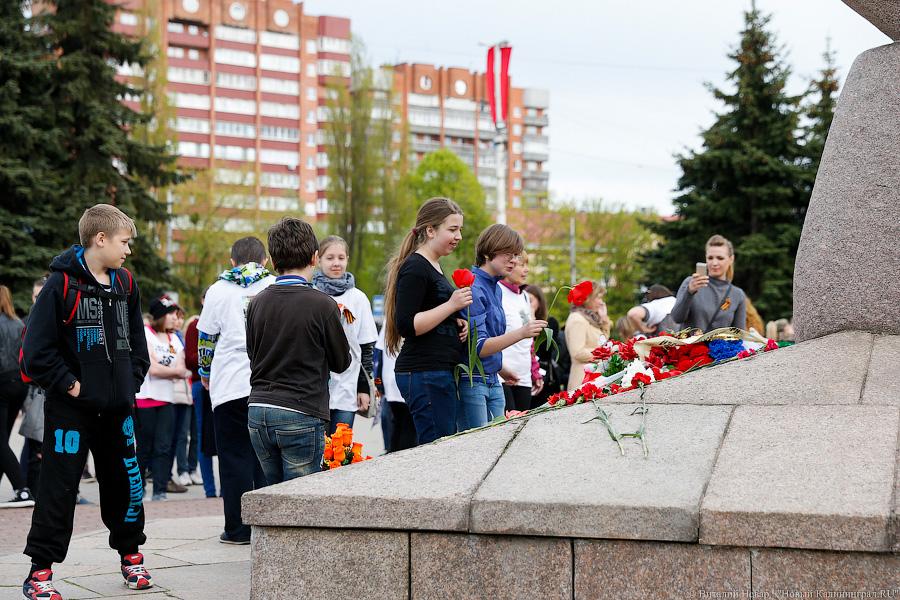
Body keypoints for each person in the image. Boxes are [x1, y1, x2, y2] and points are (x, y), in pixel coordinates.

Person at [20, 204, 154, 597]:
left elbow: (137, 344)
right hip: (70, 412)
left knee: (126, 486)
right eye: (124, 242)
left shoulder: (125, 284)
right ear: (100, 239)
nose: (128, 250)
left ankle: (132, 558)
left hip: (118, 411)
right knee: (57, 490)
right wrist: (73, 386)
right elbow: (35, 353)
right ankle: (39, 574)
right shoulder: (60, 286)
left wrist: (130, 383)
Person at [246, 218, 351, 485]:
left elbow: (252, 353)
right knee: (299, 497)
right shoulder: (322, 305)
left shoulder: (256, 303)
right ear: (315, 258)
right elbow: (341, 362)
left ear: (272, 257)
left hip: (258, 409)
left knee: (271, 495)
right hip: (301, 409)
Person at [197, 237, 273, 545]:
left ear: (232, 262)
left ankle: (238, 529)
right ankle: (268, 525)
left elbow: (206, 338)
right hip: (267, 381)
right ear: (264, 261)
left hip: (229, 384)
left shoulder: (218, 290)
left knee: (232, 458)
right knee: (264, 458)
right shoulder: (274, 285)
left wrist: (205, 372)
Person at [384, 197, 471, 445]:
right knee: (436, 450)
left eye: (460, 230)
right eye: (452, 229)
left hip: (436, 371)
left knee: (441, 447)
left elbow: (431, 312)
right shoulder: (416, 267)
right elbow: (408, 325)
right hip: (424, 372)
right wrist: (451, 306)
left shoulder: (434, 265)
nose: (458, 237)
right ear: (430, 230)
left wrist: (455, 322)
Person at [458, 225, 547, 431]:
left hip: (493, 379)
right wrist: (522, 333)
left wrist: (502, 369)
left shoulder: (496, 289)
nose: (515, 261)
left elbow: (490, 342)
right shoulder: (474, 288)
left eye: (516, 255)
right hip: (474, 381)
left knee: (499, 440)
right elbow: (478, 347)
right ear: (489, 253)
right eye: (509, 254)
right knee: (479, 446)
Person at [313, 236, 378, 435]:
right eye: (330, 257)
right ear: (318, 260)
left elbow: (365, 348)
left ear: (347, 259)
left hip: (347, 388)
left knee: (341, 452)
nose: (336, 263)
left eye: (341, 258)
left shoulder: (358, 298)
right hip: (316, 389)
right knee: (319, 450)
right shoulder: (311, 294)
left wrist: (363, 389)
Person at [135, 296, 190, 501]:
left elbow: (183, 368)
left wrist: (171, 371)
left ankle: (159, 490)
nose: (174, 318)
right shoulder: (145, 335)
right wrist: (174, 372)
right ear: (159, 316)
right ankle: (138, 490)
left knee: (164, 446)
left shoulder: (174, 338)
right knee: (144, 447)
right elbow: (152, 369)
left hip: (166, 399)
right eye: (169, 314)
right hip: (145, 398)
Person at [0, 285, 34, 508]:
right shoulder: (18, 323)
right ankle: (21, 488)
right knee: (2, 438)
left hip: (1, 383)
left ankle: (22, 489)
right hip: (19, 384)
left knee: (0, 441)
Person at [670, 234, 747, 332]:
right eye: (710, 258)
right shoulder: (691, 283)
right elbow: (677, 318)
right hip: (690, 346)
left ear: (731, 259)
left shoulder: (737, 294)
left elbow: (738, 333)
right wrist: (689, 293)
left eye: (720, 258)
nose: (714, 263)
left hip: (720, 347)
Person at [499, 252, 542, 412]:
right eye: (522, 265)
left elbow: (529, 342)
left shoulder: (524, 296)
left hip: (523, 377)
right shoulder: (498, 292)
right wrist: (501, 369)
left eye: (527, 265)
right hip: (501, 376)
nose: (527, 270)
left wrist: (534, 371)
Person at [18, 277, 47, 498]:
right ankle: (28, 487)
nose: (38, 300)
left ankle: (27, 487)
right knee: (34, 441)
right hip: (34, 389)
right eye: (36, 296)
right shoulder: (30, 321)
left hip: (43, 387)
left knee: (39, 441)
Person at [183, 310, 216, 498]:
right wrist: (213, 358)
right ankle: (210, 490)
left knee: (224, 438)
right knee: (203, 435)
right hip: (201, 384)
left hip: (224, 384)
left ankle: (226, 490)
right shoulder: (196, 325)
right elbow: (190, 358)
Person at [374, 325, 415, 452]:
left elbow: (378, 356)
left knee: (397, 423)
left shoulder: (389, 320)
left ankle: (392, 452)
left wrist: (378, 383)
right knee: (407, 426)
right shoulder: (408, 317)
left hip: (390, 382)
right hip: (405, 378)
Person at [168, 308, 196, 489]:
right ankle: (179, 471)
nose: (178, 321)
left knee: (187, 435)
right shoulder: (170, 339)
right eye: (175, 317)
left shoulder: (180, 338)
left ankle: (187, 469)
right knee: (177, 436)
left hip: (186, 393)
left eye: (180, 318)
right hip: (173, 393)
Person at [565, 282, 611, 391]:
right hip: (582, 380)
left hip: (593, 379)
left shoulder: (590, 318)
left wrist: (604, 319)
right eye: (598, 298)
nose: (601, 302)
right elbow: (577, 353)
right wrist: (606, 353)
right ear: (587, 298)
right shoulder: (578, 319)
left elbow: (602, 341)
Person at [523, 285, 562, 408]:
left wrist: (533, 319)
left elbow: (546, 350)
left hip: (544, 378)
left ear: (539, 302)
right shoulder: (520, 323)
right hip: (524, 375)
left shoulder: (550, 322)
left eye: (530, 301)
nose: (527, 304)